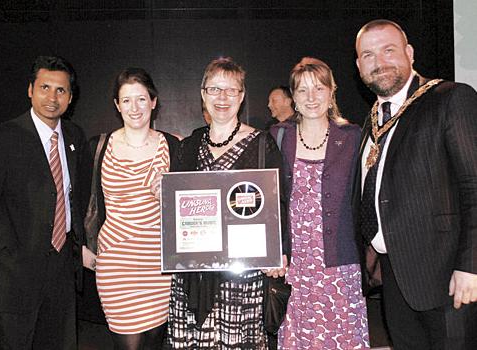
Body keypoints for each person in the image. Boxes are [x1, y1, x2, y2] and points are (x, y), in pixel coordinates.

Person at [354, 19, 477, 348]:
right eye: (368, 55)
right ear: (358, 65)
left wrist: (471, 266)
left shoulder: (450, 99)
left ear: (409, 53)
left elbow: (474, 188)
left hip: (448, 279)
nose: (379, 62)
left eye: (389, 50)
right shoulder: (372, 121)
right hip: (395, 277)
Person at [166, 57, 289, 349]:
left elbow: (279, 202)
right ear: (203, 95)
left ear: (242, 96)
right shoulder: (189, 146)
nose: (222, 97)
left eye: (231, 90)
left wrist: (280, 251)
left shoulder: (262, 144)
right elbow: (176, 209)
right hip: (194, 276)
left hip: (242, 275)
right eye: (214, 89)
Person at [0, 56, 88, 349]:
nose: (52, 97)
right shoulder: (2, 139)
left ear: (70, 97)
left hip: (61, 276)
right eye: (45, 87)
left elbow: (77, 201)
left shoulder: (75, 137)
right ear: (30, 90)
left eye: (61, 90)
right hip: (12, 279)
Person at [270, 57, 369, 349]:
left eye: (319, 89)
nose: (311, 98)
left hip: (340, 263)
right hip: (295, 265)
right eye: (302, 91)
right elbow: (271, 202)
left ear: (331, 92)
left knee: (342, 338)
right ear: (294, 97)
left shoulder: (352, 138)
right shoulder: (279, 136)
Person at [82, 67, 180, 349]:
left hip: (158, 263)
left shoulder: (172, 146)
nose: (134, 107)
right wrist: (82, 248)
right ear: (117, 105)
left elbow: (189, 205)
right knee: (127, 343)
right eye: (126, 100)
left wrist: (169, 194)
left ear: (153, 101)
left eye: (141, 99)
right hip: (116, 262)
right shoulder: (99, 147)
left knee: (152, 342)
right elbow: (79, 201)